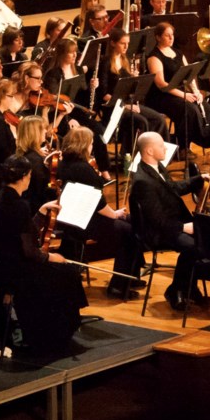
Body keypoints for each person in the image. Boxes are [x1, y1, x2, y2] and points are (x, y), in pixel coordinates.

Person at [0, 155, 87, 356]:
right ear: (24, 177)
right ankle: (57, 334)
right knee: (68, 273)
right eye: (29, 175)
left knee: (62, 271)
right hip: (17, 270)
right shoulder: (18, 205)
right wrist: (51, 258)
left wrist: (40, 213)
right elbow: (29, 251)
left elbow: (21, 232)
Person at [56, 127, 145, 300]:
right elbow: (98, 202)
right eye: (90, 144)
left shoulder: (63, 164)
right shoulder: (83, 169)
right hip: (82, 220)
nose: (91, 147)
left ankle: (130, 278)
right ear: (83, 146)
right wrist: (115, 214)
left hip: (71, 217)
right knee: (128, 232)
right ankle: (118, 286)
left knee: (130, 225)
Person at [129, 132, 208, 312]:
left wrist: (198, 179)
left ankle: (189, 287)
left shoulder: (156, 168)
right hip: (157, 232)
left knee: (205, 240)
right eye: (161, 145)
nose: (165, 148)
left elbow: (172, 189)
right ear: (149, 150)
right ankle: (176, 290)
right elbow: (156, 220)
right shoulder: (143, 181)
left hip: (170, 223)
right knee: (192, 246)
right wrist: (183, 227)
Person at [42, 38, 112, 180]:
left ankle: (104, 169)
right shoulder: (53, 74)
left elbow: (84, 97)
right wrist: (69, 117)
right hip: (60, 112)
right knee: (72, 133)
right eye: (71, 53)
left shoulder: (78, 69)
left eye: (75, 52)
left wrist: (93, 87)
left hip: (77, 110)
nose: (75, 56)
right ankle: (80, 172)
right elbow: (57, 100)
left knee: (99, 131)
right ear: (62, 54)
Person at [145, 22, 210, 151]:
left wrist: (196, 92)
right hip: (161, 96)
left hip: (178, 93)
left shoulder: (178, 53)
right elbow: (161, 84)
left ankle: (201, 139)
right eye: (167, 35)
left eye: (172, 35)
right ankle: (183, 146)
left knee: (206, 107)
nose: (171, 38)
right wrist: (184, 95)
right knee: (188, 110)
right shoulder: (154, 57)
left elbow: (189, 75)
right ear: (158, 37)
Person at [97, 27, 169, 154]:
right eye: (122, 43)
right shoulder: (106, 63)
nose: (126, 47)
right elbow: (104, 95)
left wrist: (136, 80)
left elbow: (130, 89)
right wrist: (126, 106)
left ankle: (159, 154)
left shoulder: (126, 60)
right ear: (113, 43)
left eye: (128, 44)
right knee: (141, 122)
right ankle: (132, 156)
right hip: (114, 108)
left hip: (128, 104)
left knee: (159, 119)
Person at [15, 114, 56, 213]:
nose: (46, 131)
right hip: (36, 209)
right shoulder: (34, 160)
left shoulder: (24, 154)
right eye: (43, 129)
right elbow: (40, 189)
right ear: (35, 133)